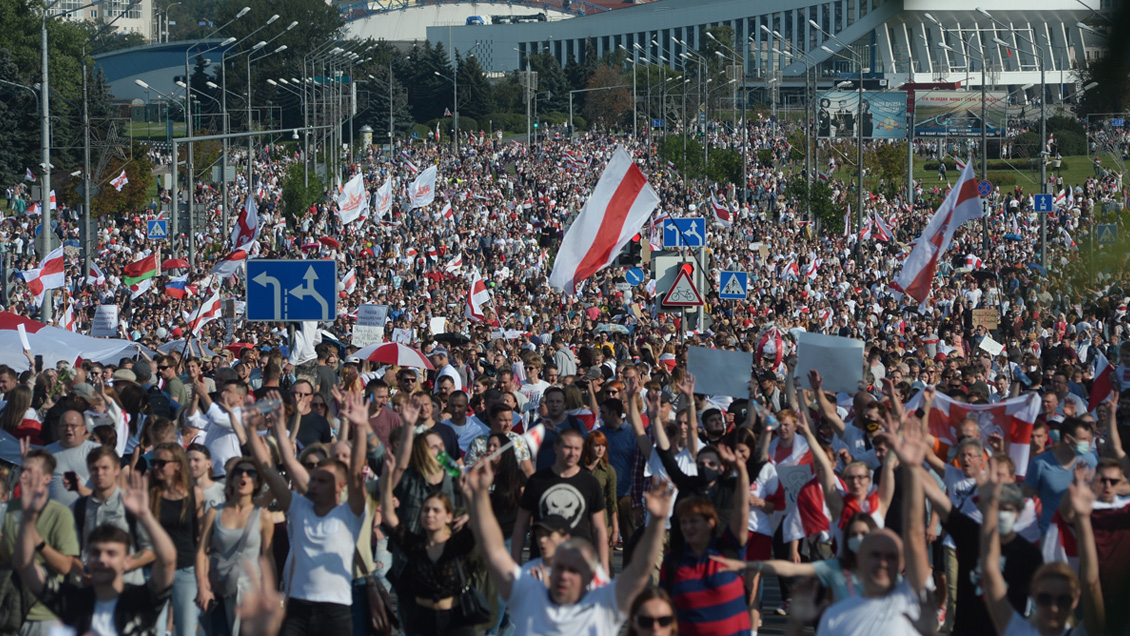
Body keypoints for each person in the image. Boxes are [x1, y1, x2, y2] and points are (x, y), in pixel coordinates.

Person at [466, 458, 673, 636]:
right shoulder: (529, 591)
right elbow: (494, 551)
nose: (564, 575)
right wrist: (480, 494)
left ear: (591, 576)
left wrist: (656, 521)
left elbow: (639, 570)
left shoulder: (604, 604)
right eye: (560, 567)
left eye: (573, 570)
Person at [247, 389, 368, 636]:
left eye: (322, 480)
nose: (313, 482)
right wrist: (261, 428)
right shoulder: (299, 507)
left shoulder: (350, 513)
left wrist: (362, 427)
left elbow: (355, 472)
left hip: (336, 611)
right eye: (313, 478)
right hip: (297, 608)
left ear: (339, 487)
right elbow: (276, 468)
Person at [14, 466, 177, 636]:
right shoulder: (74, 602)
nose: (102, 559)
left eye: (111, 553)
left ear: (127, 560)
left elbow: (168, 560)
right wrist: (28, 517)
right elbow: (25, 566)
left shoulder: (142, 600)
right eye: (95, 553)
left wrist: (144, 515)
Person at [980, 460, 1105, 636]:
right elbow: (989, 569)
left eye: (1063, 601)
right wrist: (989, 509)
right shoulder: (1017, 631)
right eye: (1045, 598)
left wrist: (1083, 519)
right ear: (1034, 593)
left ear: (1076, 599)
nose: (1054, 608)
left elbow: (1091, 583)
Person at [659, 437, 750, 636]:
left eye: (694, 521)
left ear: (711, 523)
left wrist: (741, 470)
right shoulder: (673, 562)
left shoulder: (729, 550)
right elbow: (664, 610)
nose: (688, 527)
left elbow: (742, 511)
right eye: (684, 522)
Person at [379, 451, 476, 636]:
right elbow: (390, 518)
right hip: (421, 622)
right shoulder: (415, 545)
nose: (430, 514)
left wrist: (469, 493)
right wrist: (386, 479)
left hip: (455, 622)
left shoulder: (458, 543)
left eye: (436, 510)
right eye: (426, 510)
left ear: (449, 515)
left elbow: (478, 524)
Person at [0, 449, 81, 636]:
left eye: (31, 471)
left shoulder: (60, 514)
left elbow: (65, 567)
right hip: (9, 610)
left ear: (46, 478)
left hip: (43, 615)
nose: (25, 475)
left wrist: (38, 542)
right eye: (23, 470)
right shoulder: (6, 510)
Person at [511, 427, 610, 573]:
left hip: (579, 563)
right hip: (541, 564)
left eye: (577, 448)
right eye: (568, 447)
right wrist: (516, 562)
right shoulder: (537, 481)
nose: (573, 453)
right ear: (556, 448)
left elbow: (599, 529)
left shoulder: (590, 483)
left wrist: (604, 567)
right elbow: (521, 525)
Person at [195, 458, 274, 636]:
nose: (244, 476)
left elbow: (268, 559)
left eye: (251, 473)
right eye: (239, 472)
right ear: (230, 480)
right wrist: (202, 586)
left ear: (257, 482)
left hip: (251, 594)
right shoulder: (215, 513)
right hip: (220, 590)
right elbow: (201, 552)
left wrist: (269, 594)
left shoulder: (264, 517)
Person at [73, 446, 155, 586]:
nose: (99, 473)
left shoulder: (131, 504)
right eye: (94, 469)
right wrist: (82, 571)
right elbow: (74, 551)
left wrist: (123, 565)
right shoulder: (81, 506)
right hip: (92, 588)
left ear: (117, 469)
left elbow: (152, 550)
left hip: (127, 588)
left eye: (105, 468)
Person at [149, 442, 205, 636]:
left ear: (177, 466)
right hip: (155, 570)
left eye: (162, 463)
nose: (156, 467)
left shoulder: (194, 494)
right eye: (154, 462)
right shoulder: (150, 494)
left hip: (186, 568)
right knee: (154, 630)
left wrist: (203, 581)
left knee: (186, 630)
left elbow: (201, 540)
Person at [45, 409, 100, 508]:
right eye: (64, 425)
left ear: (83, 429)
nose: (68, 429)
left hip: (87, 515)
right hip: (55, 517)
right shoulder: (47, 453)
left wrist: (80, 488)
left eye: (73, 426)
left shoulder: (96, 451)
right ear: (58, 429)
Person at [582, 430, 619, 559]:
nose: (600, 449)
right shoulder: (579, 469)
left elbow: (612, 501)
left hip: (603, 521)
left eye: (603, 445)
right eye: (597, 445)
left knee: (605, 563)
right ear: (589, 447)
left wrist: (615, 529)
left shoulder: (609, 471)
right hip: (582, 522)